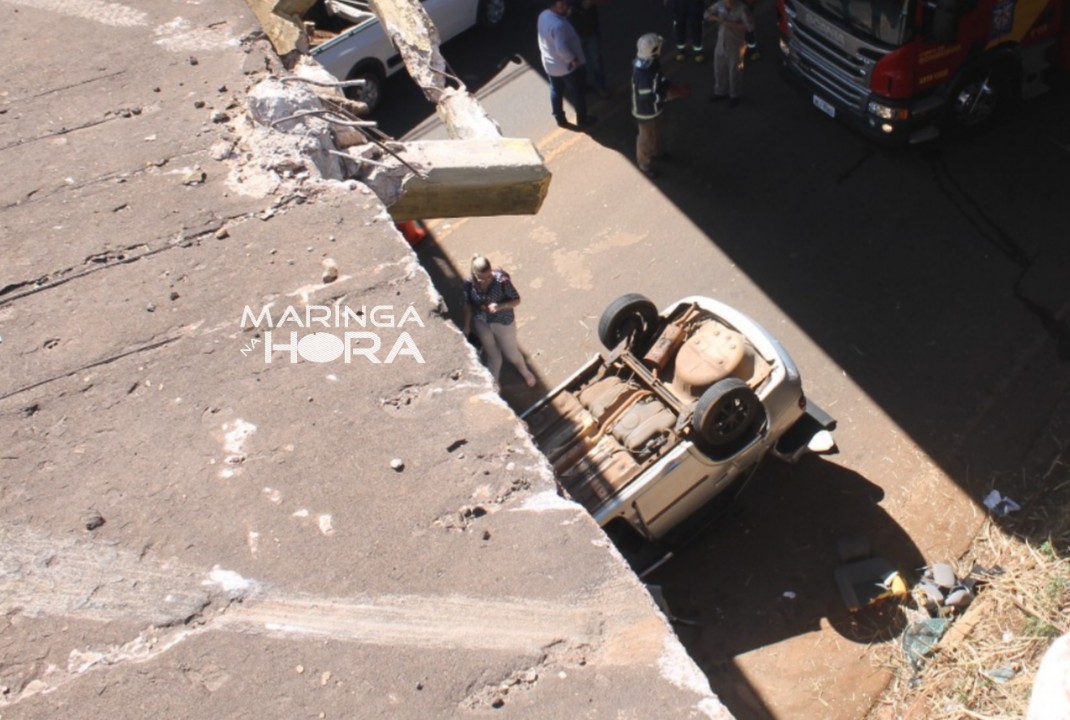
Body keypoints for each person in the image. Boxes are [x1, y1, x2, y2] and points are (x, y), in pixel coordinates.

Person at [462, 255, 537, 388]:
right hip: (482, 321)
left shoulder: (502, 281)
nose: (486, 280)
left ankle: (525, 372)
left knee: (512, 353)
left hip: (503, 321)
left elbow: (516, 300)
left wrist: (500, 306)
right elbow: (468, 303)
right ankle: (494, 384)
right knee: (493, 356)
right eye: (482, 278)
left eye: (489, 276)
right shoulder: (469, 283)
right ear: (474, 274)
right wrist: (467, 326)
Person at [631, 33, 683, 179]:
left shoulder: (652, 62)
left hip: (656, 109)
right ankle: (644, 165)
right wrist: (668, 96)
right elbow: (647, 97)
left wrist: (669, 86)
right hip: (646, 112)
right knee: (645, 139)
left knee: (658, 131)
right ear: (652, 50)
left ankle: (657, 152)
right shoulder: (643, 74)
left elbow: (659, 78)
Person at [537, 0, 594, 128]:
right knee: (578, 92)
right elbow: (561, 48)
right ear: (552, 5)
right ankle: (582, 119)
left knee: (556, 90)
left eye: (564, 3)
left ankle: (559, 118)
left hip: (550, 64)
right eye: (560, 5)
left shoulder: (543, 15)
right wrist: (573, 60)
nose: (564, 7)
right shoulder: (558, 26)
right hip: (566, 67)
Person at [705, 0, 755, 106]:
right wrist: (716, 18)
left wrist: (731, 24)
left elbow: (750, 26)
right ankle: (720, 92)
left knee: (734, 72)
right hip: (721, 43)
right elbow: (706, 14)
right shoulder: (719, 5)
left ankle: (735, 95)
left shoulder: (742, 9)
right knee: (719, 69)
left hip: (735, 46)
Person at [567, 0, 610, 98]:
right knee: (578, 63)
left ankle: (601, 87)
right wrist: (567, 11)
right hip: (575, 34)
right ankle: (582, 87)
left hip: (591, 31)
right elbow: (559, 10)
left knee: (596, 62)